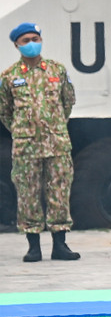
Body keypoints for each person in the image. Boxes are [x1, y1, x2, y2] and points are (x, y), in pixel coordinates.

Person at [0, 23, 80, 262]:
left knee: (59, 193)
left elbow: (67, 103)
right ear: (16, 45)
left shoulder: (57, 70)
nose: (31, 43)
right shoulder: (9, 76)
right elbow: (5, 112)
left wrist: (53, 126)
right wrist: (21, 130)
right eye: (26, 40)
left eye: (35, 38)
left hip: (56, 144)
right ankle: (33, 246)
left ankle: (60, 245)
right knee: (28, 194)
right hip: (26, 147)